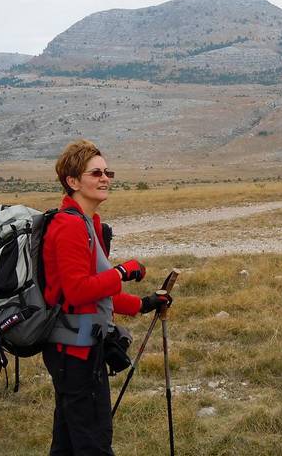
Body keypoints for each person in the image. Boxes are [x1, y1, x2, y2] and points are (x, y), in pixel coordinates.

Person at [42, 139, 172, 455]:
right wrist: (122, 272)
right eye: (96, 173)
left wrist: (143, 303)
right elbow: (77, 290)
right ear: (73, 181)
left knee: (68, 442)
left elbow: (97, 295)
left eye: (107, 172)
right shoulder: (70, 226)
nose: (105, 179)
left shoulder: (88, 223)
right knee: (93, 443)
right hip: (75, 353)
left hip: (75, 348)